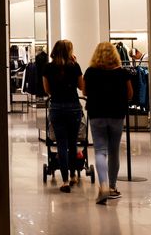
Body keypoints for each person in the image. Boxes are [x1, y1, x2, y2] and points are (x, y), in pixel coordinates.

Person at [84, 42, 133, 204]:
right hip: (117, 114)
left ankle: (103, 184)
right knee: (114, 151)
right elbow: (130, 94)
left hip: (97, 114)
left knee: (100, 151)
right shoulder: (122, 73)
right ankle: (112, 187)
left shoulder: (90, 72)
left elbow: (84, 91)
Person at [43, 39, 85, 192]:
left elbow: (47, 89)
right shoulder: (74, 66)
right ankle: (74, 175)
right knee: (73, 143)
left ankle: (65, 181)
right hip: (73, 107)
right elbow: (81, 86)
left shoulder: (48, 68)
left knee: (61, 144)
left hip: (56, 108)